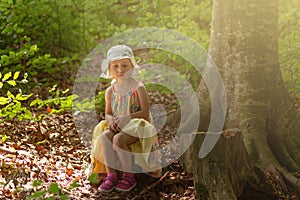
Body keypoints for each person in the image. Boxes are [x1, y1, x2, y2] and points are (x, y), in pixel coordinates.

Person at [88, 45, 162, 193]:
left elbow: (145, 112)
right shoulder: (110, 90)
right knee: (105, 136)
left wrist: (127, 118)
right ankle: (111, 175)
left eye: (124, 65)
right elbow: (108, 113)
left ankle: (129, 176)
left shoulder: (138, 87)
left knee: (118, 140)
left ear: (132, 67)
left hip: (137, 125)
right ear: (109, 69)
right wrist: (112, 121)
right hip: (119, 124)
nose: (120, 70)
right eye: (115, 66)